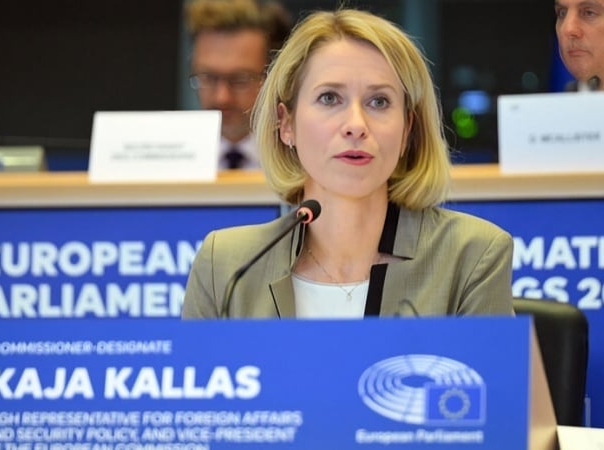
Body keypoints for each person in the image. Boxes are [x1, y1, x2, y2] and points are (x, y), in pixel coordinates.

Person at [182, 8, 514, 319]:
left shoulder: (472, 255)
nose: (356, 125)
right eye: (329, 98)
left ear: (407, 130)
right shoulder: (224, 266)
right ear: (286, 124)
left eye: (379, 101)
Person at [186, 0, 293, 170]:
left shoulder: (304, 163)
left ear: (273, 77)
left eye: (240, 79)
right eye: (208, 77)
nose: (222, 98)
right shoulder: (164, 164)